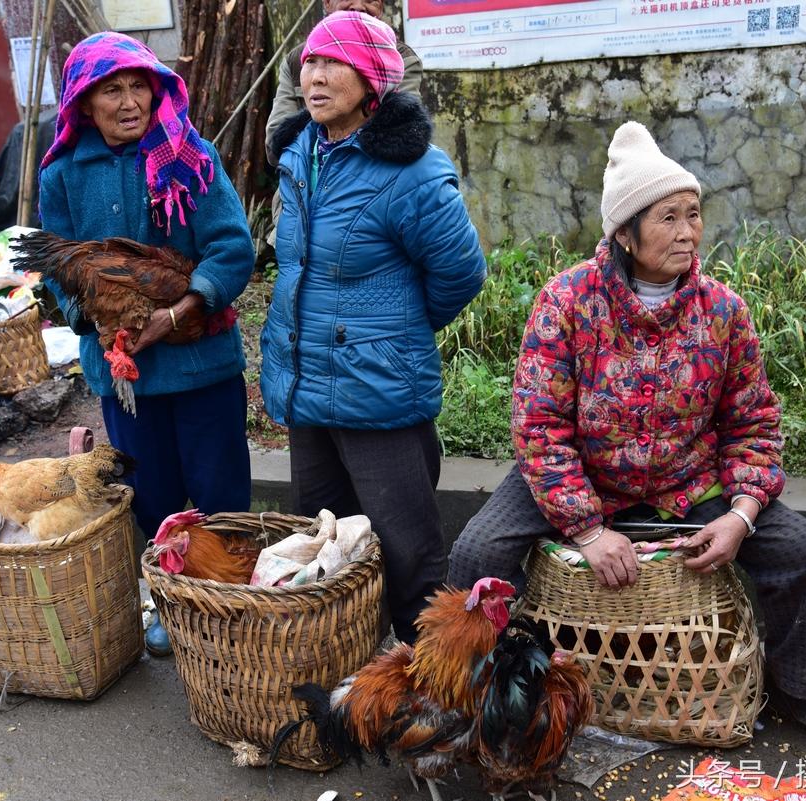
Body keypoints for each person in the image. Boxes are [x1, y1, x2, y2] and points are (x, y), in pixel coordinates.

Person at [447, 121, 806, 754]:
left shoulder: (722, 310)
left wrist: (743, 512)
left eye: (693, 215)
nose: (687, 232)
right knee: (475, 554)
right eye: (668, 218)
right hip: (580, 475)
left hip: (686, 481)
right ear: (624, 232)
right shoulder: (567, 302)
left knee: (805, 552)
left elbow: (753, 422)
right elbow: (539, 429)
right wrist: (588, 529)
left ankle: (801, 694)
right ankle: (479, 701)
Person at [261, 11, 486, 644]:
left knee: (409, 555)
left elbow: (460, 273)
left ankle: (433, 689)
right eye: (310, 62)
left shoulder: (411, 171)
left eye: (334, 63)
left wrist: (391, 333)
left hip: (378, 395)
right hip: (308, 391)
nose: (316, 76)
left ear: (372, 79)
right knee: (326, 547)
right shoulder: (300, 155)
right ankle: (350, 686)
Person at [38, 33, 256, 655]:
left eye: (140, 86)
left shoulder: (191, 156)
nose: (130, 101)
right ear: (85, 101)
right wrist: (100, 321)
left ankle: (232, 600)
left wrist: (182, 308)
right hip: (124, 374)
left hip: (201, 366)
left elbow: (232, 248)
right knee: (152, 496)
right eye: (113, 89)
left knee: (220, 494)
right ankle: (168, 601)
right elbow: (59, 268)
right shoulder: (62, 175)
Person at [265, 0, 422, 163]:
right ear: (326, 3)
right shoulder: (297, 59)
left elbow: (402, 132)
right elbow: (276, 146)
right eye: (312, 62)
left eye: (370, 0)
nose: (359, 6)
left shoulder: (400, 59)